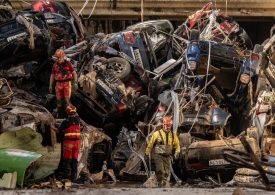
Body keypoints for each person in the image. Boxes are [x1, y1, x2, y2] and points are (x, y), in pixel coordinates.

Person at [145, 116, 180, 187]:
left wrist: (176, 153)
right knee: (160, 170)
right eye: (166, 125)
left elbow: (177, 146)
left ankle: (164, 185)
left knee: (167, 173)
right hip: (158, 156)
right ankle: (160, 183)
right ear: (163, 125)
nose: (167, 127)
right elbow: (150, 144)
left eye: (169, 125)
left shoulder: (173, 136)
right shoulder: (157, 134)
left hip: (167, 156)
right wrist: (147, 153)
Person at [49, 49, 78, 117]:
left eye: (59, 57)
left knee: (67, 101)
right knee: (59, 101)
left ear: (62, 56)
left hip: (67, 83)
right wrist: (50, 85)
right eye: (57, 57)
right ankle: (60, 116)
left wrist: (75, 83)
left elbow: (74, 73)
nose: (58, 59)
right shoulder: (55, 65)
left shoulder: (68, 63)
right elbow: (52, 75)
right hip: (58, 84)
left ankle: (68, 116)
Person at [58, 104, 81, 182]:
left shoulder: (66, 122)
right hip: (77, 143)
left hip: (69, 143)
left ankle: (66, 178)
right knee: (75, 160)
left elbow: (59, 130)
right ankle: (74, 178)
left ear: (67, 112)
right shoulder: (78, 120)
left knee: (67, 161)